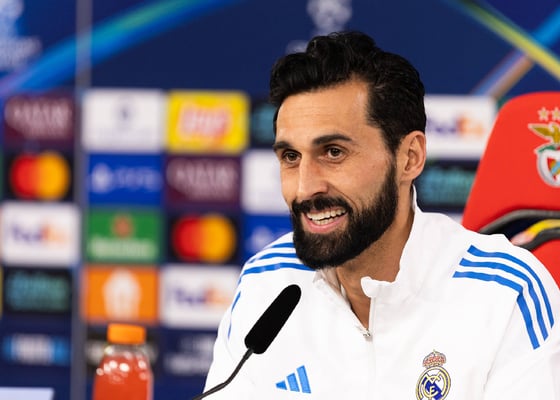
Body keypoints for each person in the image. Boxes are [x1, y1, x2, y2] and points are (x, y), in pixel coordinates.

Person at [202, 31, 560, 399]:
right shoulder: (266, 283)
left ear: (409, 158)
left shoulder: (506, 292)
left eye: (334, 152)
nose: (305, 187)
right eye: (291, 157)